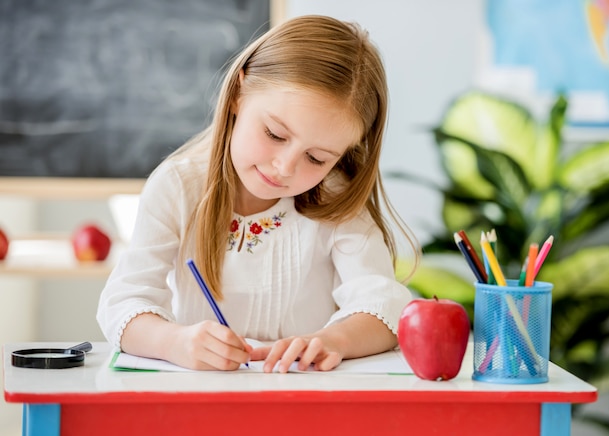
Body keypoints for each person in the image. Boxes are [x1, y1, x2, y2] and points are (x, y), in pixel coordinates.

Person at [97, 14, 419, 373]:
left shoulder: (335, 199)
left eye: (316, 158)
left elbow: (385, 310)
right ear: (238, 93)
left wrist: (333, 341)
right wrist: (174, 342)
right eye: (275, 135)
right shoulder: (177, 187)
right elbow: (122, 304)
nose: (285, 167)